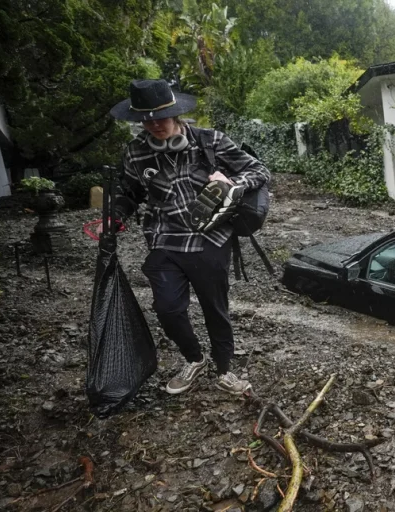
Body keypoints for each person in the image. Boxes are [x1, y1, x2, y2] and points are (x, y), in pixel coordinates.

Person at [103, 79, 270, 396]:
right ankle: (195, 358)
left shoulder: (210, 141)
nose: (153, 124)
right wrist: (114, 217)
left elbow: (259, 171)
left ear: (175, 113)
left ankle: (225, 370)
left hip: (210, 239)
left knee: (215, 310)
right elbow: (129, 193)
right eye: (146, 119)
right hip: (164, 240)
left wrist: (232, 182)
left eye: (160, 117)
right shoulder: (136, 153)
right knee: (167, 309)